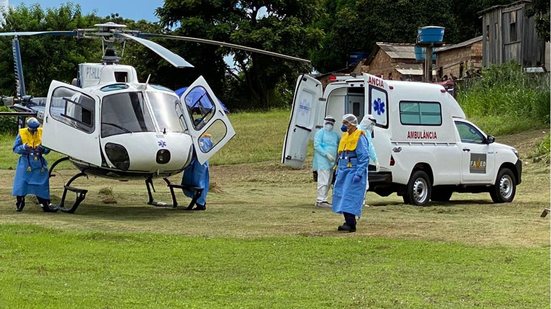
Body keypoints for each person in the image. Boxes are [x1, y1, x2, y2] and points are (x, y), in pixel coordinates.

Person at [332, 114, 369, 232]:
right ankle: (348, 221)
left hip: (352, 171)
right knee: (341, 195)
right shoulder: (345, 136)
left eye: (346, 123)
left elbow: (364, 157)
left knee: (350, 196)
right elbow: (341, 154)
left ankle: (351, 223)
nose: (344, 125)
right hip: (343, 170)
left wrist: (358, 173)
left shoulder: (359, 137)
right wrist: (337, 170)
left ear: (352, 124)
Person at [12, 117, 51, 212]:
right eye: (32, 129)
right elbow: (15, 148)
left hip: (39, 163)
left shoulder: (42, 132)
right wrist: (24, 147)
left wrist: (43, 149)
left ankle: (45, 204)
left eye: (35, 129)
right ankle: (20, 202)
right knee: (22, 182)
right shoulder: (21, 133)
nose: (34, 131)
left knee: (42, 183)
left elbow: (48, 149)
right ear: (28, 127)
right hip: (26, 163)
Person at [312, 116, 340, 208]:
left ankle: (324, 199)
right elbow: (317, 145)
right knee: (323, 180)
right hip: (323, 161)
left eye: (331, 123)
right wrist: (326, 154)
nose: (329, 125)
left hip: (332, 162)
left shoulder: (335, 135)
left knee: (329, 181)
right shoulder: (320, 133)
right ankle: (320, 200)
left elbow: (340, 144)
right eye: (328, 123)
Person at [181, 133, 214, 210]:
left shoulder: (203, 141)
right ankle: (199, 202)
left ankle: (200, 203)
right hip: (196, 163)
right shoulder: (205, 141)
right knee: (196, 181)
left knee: (198, 182)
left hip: (199, 164)